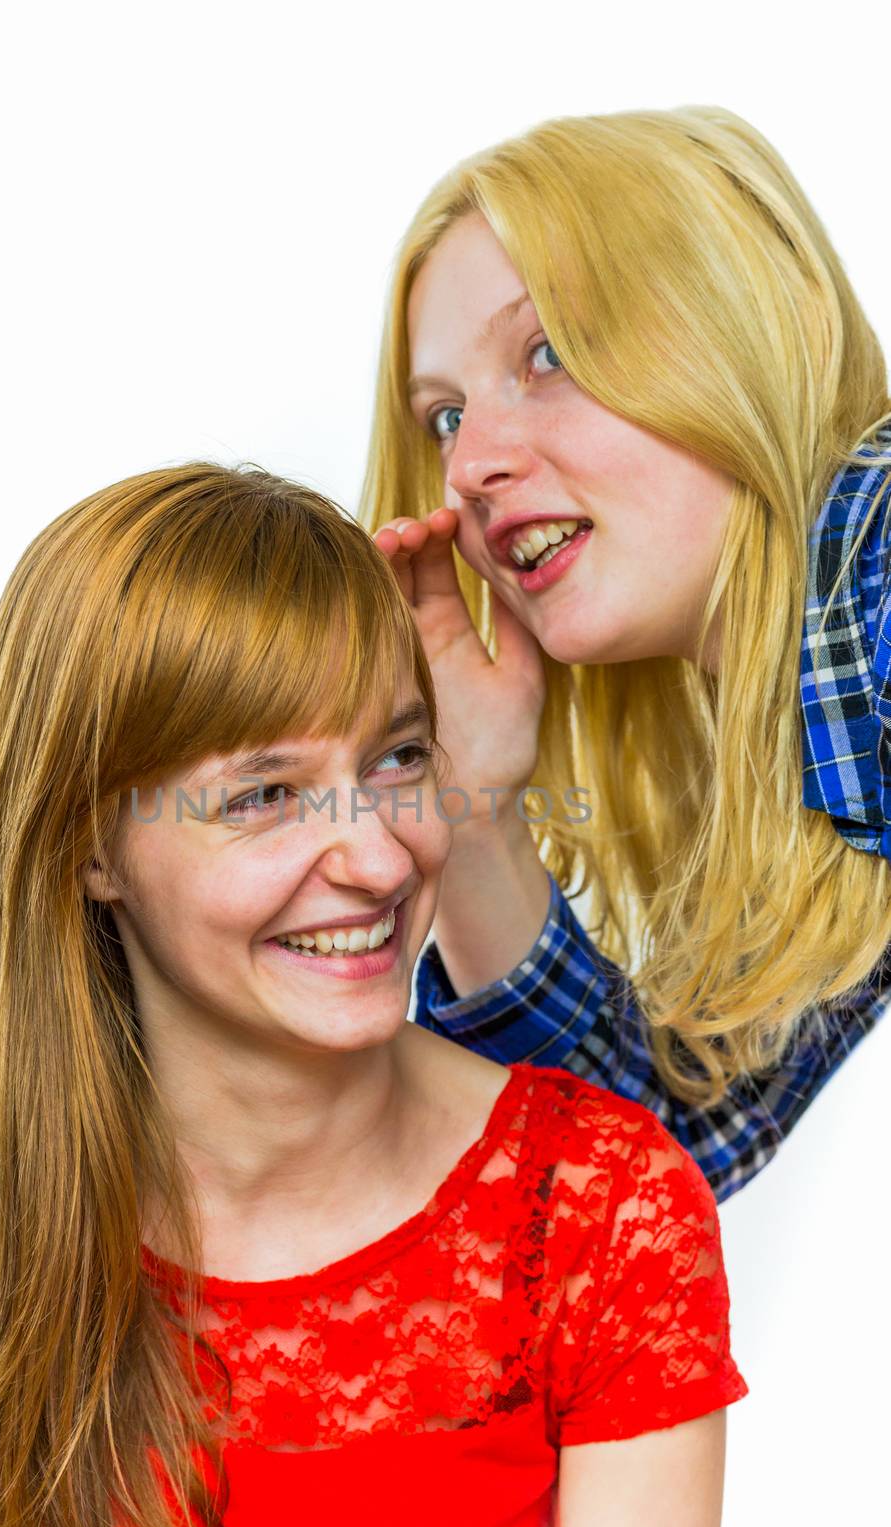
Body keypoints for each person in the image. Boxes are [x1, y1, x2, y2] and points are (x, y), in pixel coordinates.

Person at [0, 464, 745, 1527]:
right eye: (263, 795)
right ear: (91, 848)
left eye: (397, 758)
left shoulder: (597, 1206)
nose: (373, 858)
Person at [361, 105, 891, 1203]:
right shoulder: (823, 743)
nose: (469, 469)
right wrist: (466, 817)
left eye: (548, 352)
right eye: (446, 417)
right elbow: (649, 1162)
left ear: (755, 320)